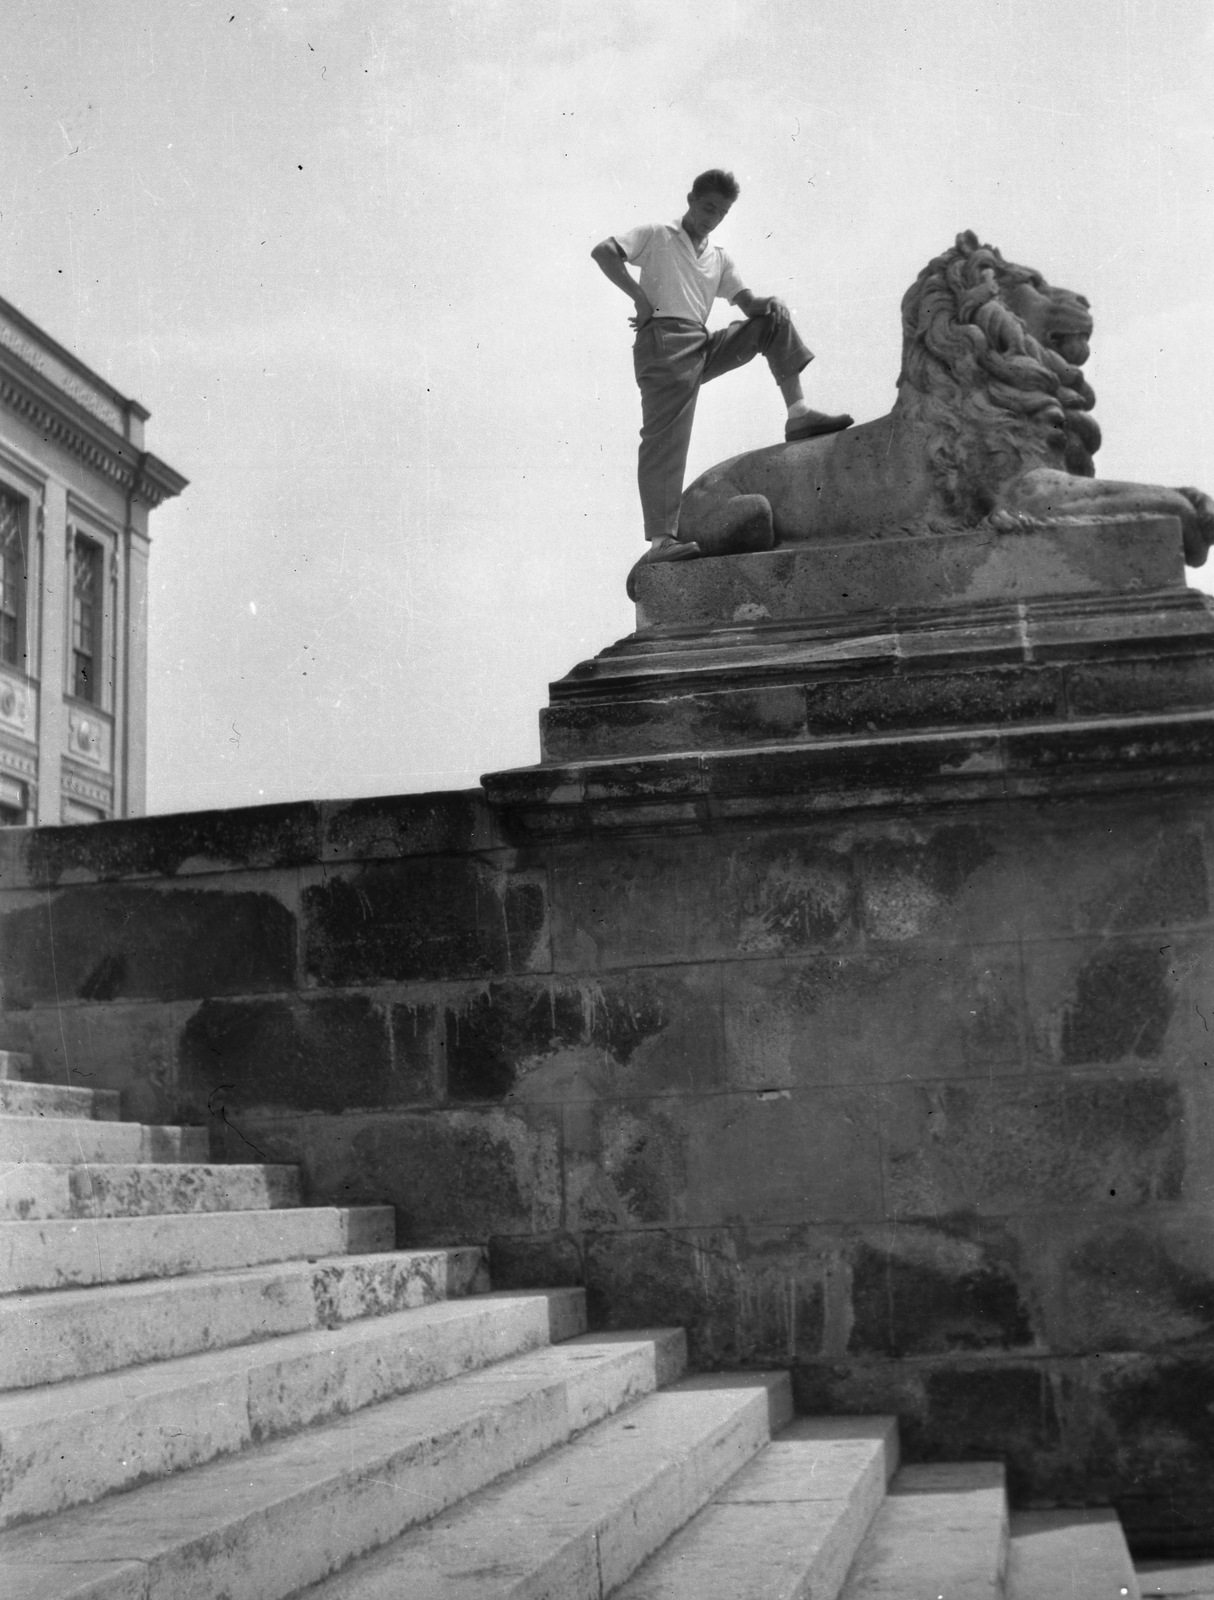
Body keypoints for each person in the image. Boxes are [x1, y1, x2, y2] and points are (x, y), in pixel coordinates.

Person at [591, 168, 852, 580]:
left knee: (773, 320)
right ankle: (661, 541)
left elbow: (745, 301)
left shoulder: (719, 256)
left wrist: (766, 301)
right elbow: (604, 252)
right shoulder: (658, 234)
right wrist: (640, 298)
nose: (712, 217)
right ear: (691, 199)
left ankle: (798, 412)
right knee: (667, 437)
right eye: (708, 207)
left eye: (722, 212)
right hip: (664, 342)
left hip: (701, 341)